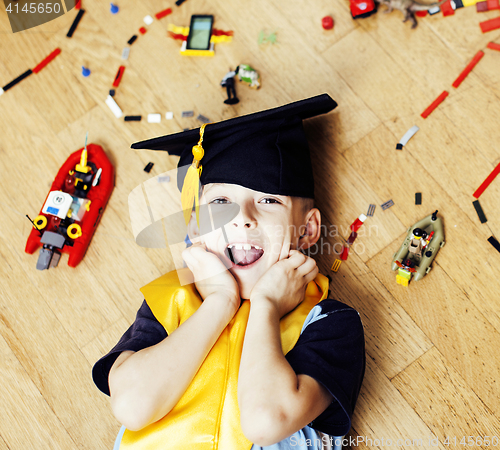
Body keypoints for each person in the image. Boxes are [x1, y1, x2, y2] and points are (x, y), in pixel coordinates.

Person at [92, 94, 366, 450]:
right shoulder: (170, 301)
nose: (242, 217)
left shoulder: (328, 321)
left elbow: (266, 420)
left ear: (308, 230)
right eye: (220, 202)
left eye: (269, 200)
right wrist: (219, 302)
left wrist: (266, 306)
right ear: (193, 227)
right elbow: (130, 405)